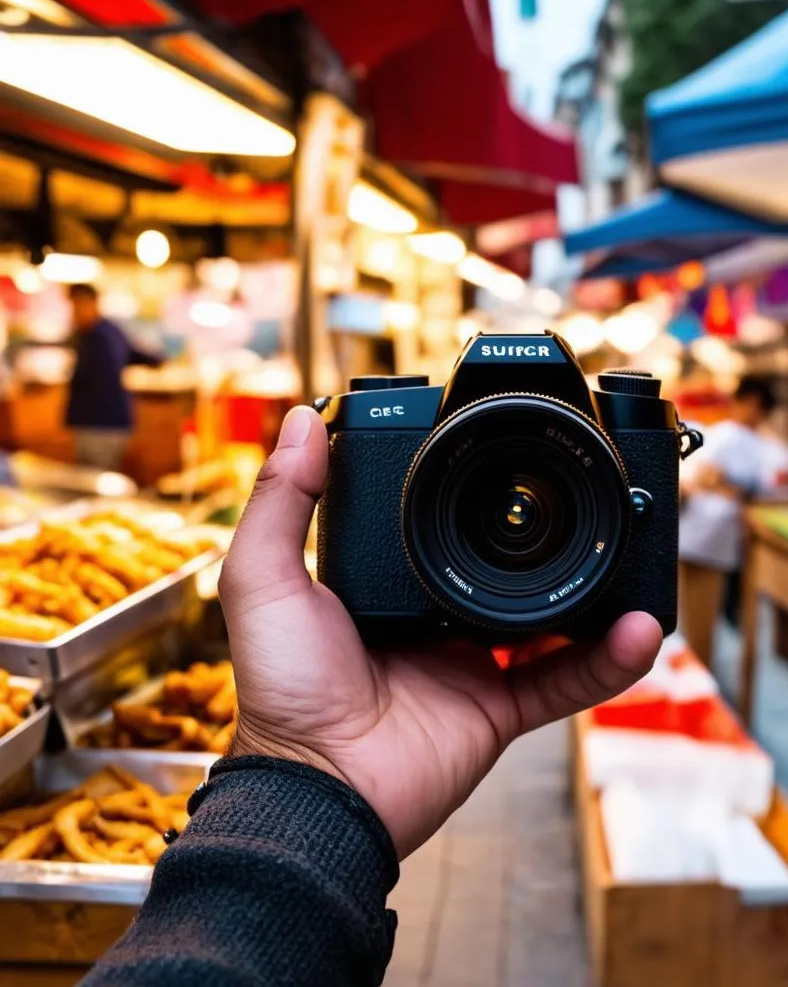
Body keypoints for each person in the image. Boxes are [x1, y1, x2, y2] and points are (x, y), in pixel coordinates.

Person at [81, 405, 664, 986]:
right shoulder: (373, 422)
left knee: (630, 633)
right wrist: (311, 761)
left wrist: (304, 773)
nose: (516, 511)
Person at [677, 376, 788, 668]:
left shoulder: (742, 437)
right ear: (753, 404)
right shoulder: (731, 434)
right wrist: (733, 488)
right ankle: (697, 682)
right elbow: (704, 476)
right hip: (706, 537)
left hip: (703, 536)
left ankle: (695, 678)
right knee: (699, 621)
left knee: (694, 619)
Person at [65, 283, 160, 471]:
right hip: (111, 423)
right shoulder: (109, 330)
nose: (73, 313)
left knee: (96, 480)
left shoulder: (97, 337)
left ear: (89, 303)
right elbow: (138, 355)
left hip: (99, 425)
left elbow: (92, 381)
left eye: (76, 306)